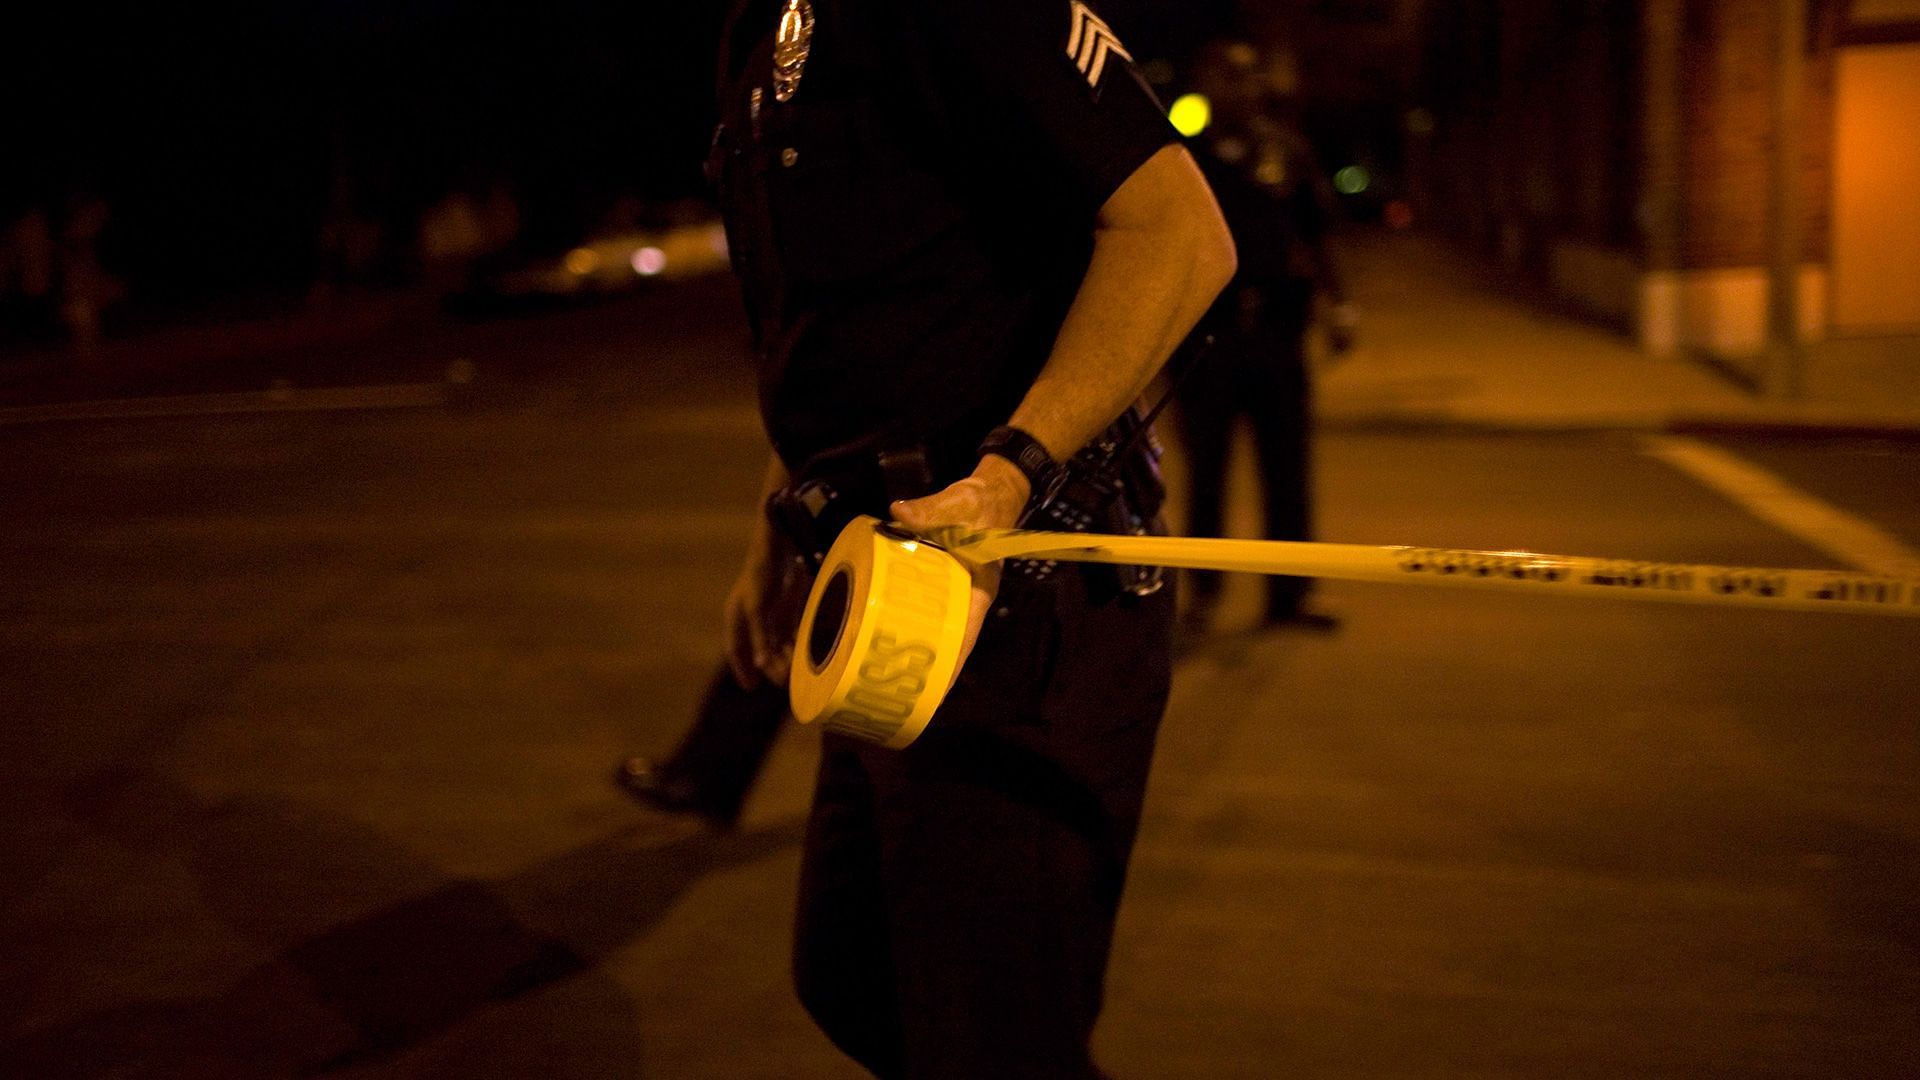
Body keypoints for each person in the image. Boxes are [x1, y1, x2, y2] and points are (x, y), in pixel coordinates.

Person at [706, 0, 1235, 1075]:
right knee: (855, 981)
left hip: (1016, 590)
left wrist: (1013, 474)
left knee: (992, 1037)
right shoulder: (758, 26)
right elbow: (842, 322)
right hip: (884, 583)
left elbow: (1182, 233)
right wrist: (777, 527)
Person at [1176, 41, 1355, 633]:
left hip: (1278, 333)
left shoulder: (1287, 152)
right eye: (1226, 77)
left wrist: (1341, 307)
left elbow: (1319, 233)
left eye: (1249, 78)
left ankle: (1291, 595)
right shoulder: (1184, 156)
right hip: (1209, 339)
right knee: (1207, 471)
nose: (1239, 89)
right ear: (1206, 83)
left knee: (1288, 470)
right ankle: (1203, 593)